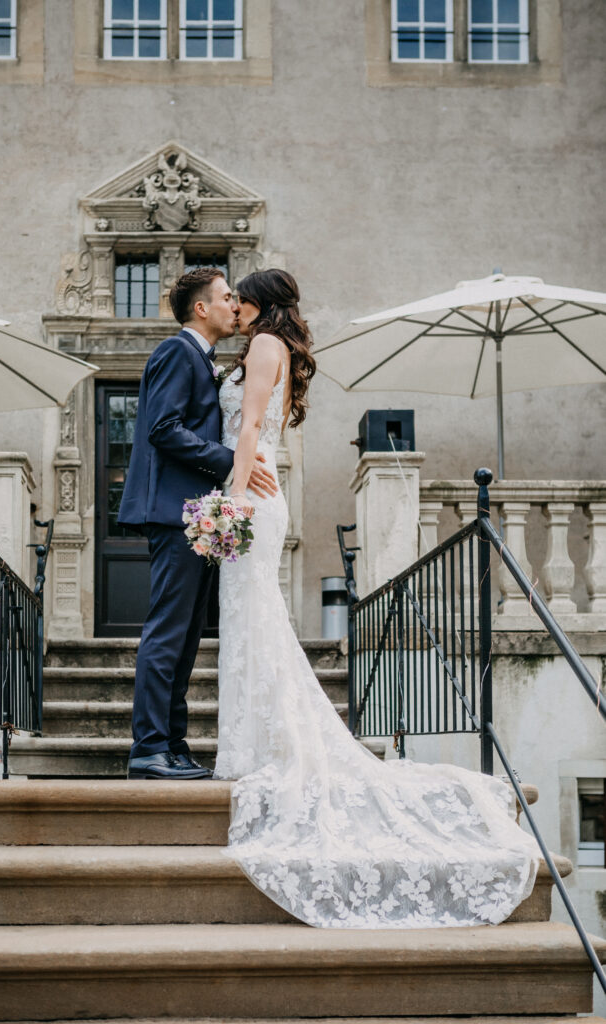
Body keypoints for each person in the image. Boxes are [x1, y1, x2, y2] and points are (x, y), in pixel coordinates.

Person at [214, 268, 540, 928]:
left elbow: (249, 426)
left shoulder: (264, 346)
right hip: (257, 492)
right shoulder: (274, 347)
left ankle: (259, 746)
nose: (236, 308)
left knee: (254, 619)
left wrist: (232, 498)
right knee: (253, 619)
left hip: (250, 497)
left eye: (241, 299)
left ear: (259, 303)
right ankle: (253, 743)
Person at [118, 267, 277, 781]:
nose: (236, 305)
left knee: (186, 637)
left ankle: (173, 744)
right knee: (168, 633)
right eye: (228, 297)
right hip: (173, 514)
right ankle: (149, 748)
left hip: (198, 516)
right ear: (202, 308)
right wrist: (233, 461)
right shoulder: (176, 352)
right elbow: (163, 429)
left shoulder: (202, 359)